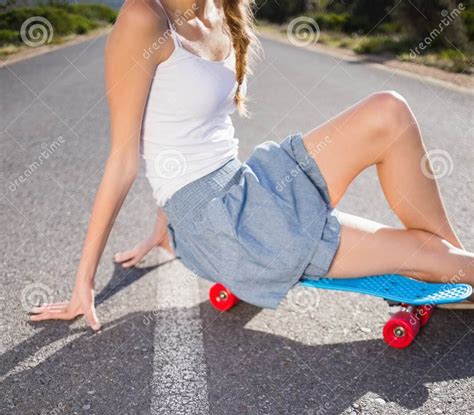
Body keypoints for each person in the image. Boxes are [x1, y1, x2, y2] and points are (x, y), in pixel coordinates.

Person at [31, 0, 474, 329]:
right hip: (225, 226)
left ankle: (454, 270)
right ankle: (452, 266)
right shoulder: (144, 19)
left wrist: (159, 230)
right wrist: (83, 283)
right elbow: (125, 156)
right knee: (431, 256)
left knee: (388, 111)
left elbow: (186, 131)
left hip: (248, 184)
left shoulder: (221, 11)